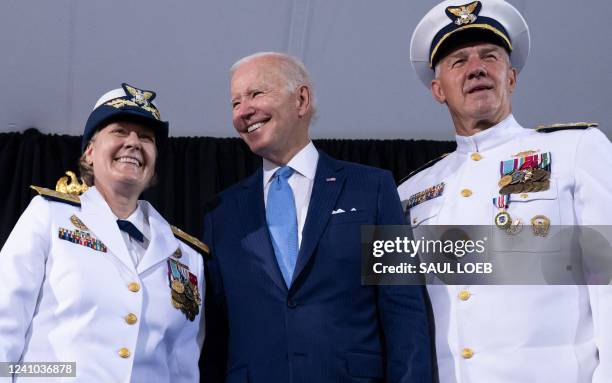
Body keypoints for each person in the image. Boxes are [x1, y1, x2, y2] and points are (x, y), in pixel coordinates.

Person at [397, 0, 612, 382]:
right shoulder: (411, 190)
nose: (476, 67)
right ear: (438, 90)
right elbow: (397, 307)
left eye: (490, 56)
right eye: (458, 61)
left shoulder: (577, 149)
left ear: (511, 77)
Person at [201, 52, 432, 382]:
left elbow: (404, 311)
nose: (243, 111)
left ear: (301, 99)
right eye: (235, 103)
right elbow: (215, 335)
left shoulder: (372, 189)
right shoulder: (220, 213)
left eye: (255, 94)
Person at [0, 83, 207, 382]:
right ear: (90, 152)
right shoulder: (50, 215)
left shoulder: (187, 256)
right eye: (120, 131)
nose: (134, 143)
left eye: (146, 138)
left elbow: (182, 368)